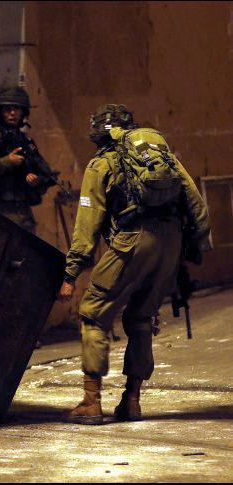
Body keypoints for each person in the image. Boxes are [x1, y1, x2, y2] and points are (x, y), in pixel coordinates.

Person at [57, 104, 210, 424]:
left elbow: (87, 228)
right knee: (141, 319)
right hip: (171, 244)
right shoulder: (162, 156)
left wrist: (71, 273)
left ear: (100, 134)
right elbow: (197, 205)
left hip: (132, 241)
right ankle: (132, 401)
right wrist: (192, 247)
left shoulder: (101, 164)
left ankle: (91, 402)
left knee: (93, 313)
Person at [0, 86, 57, 234]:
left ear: (23, 112)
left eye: (16, 109)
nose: (12, 113)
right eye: (7, 109)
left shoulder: (26, 142)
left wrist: (35, 181)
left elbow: (42, 173)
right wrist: (6, 162)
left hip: (23, 215)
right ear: (0, 112)